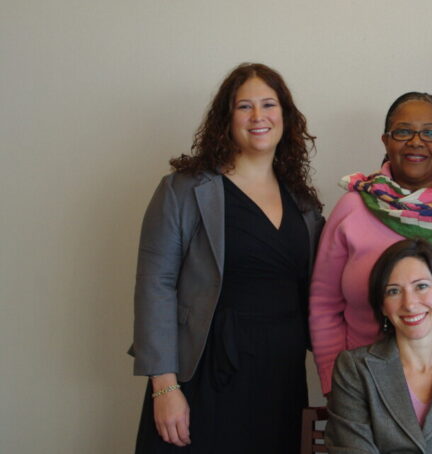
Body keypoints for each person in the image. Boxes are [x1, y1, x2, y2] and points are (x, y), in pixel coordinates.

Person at [129, 63, 324, 452]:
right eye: (244, 107)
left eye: (269, 105)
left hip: (280, 375)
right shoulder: (183, 189)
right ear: (226, 118)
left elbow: (325, 287)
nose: (258, 117)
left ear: (285, 116)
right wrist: (164, 387)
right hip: (206, 371)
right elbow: (156, 285)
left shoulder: (303, 203)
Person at [310, 92, 432, 395]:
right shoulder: (352, 208)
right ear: (386, 141)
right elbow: (324, 304)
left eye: (430, 133)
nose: (416, 141)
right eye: (403, 132)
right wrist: (334, 381)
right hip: (364, 389)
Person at [325, 238, 432, 453]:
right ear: (382, 306)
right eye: (394, 291)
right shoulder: (354, 369)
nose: (409, 303)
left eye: (421, 286)